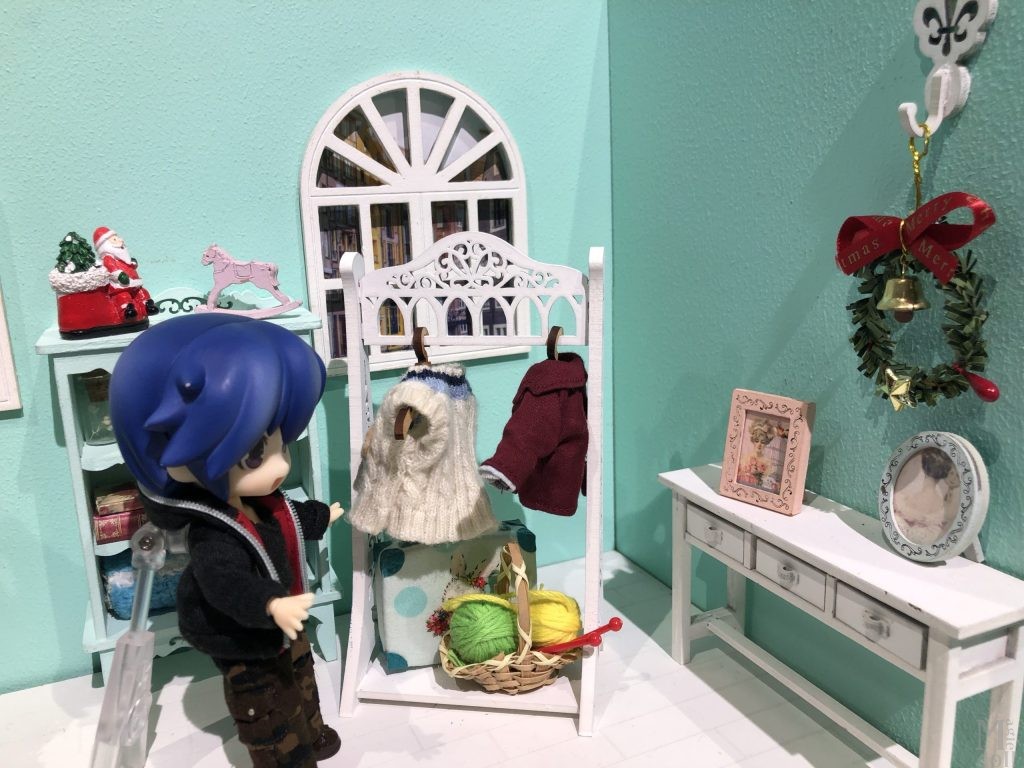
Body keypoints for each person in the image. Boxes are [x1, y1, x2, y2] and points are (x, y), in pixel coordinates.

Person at [110, 314, 343, 767]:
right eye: (255, 454)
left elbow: (287, 518)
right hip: (244, 638)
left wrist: (321, 517)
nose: (280, 466)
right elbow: (226, 583)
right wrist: (270, 604)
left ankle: (313, 733)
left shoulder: (256, 501)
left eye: (281, 445)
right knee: (269, 711)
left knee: (301, 679)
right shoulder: (212, 532)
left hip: (284, 623)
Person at [93, 226, 158, 320]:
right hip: (120, 286)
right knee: (123, 296)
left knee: (142, 292)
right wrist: (120, 275)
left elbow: (130, 265)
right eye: (115, 239)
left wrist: (133, 264)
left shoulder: (123, 256)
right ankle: (127, 310)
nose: (121, 240)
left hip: (134, 283)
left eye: (118, 237)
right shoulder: (108, 258)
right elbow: (112, 268)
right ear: (105, 245)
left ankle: (147, 306)